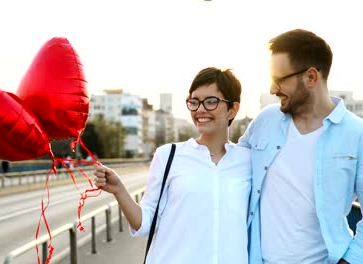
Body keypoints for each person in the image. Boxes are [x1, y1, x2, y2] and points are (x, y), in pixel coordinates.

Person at [238, 29, 363, 264]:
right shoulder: (264, 122)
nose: (272, 89)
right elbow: (233, 172)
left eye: (279, 79)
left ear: (311, 77)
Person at [93, 67, 251, 263]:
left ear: (232, 110)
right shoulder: (169, 155)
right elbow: (145, 223)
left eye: (211, 102)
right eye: (194, 102)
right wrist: (119, 189)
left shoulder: (248, 161)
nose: (200, 109)